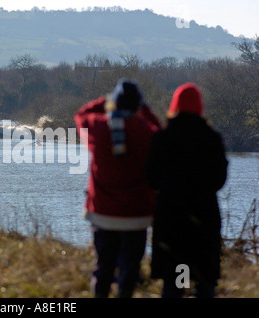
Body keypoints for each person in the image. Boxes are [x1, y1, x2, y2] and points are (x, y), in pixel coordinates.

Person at [74, 78, 162, 298]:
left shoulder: (98, 126)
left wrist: (104, 100)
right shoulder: (146, 131)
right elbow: (161, 135)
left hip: (102, 213)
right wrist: (146, 110)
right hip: (136, 214)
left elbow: (80, 116)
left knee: (103, 267)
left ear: (116, 102)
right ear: (137, 105)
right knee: (130, 268)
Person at [145, 82, 228, 298]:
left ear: (174, 106)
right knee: (203, 279)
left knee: (175, 280)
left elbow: (151, 179)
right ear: (200, 107)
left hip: (171, 219)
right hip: (203, 217)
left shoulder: (162, 138)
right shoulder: (212, 138)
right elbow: (219, 180)